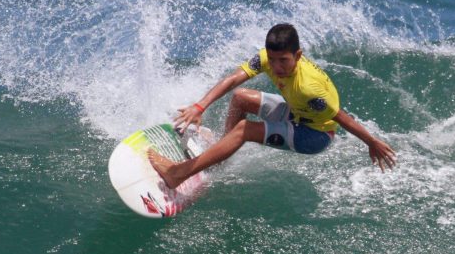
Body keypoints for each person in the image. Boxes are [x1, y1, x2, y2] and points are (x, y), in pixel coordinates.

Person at [148, 23, 396, 189]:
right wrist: (200, 106)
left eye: (284, 61)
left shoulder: (308, 87)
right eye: (273, 59)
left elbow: (341, 117)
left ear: (298, 56)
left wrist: (371, 142)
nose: (277, 67)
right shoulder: (267, 57)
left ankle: (178, 174)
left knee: (246, 129)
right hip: (297, 112)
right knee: (241, 96)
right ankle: (220, 156)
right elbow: (235, 77)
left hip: (315, 134)